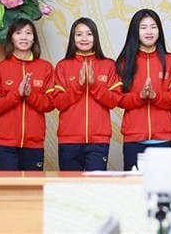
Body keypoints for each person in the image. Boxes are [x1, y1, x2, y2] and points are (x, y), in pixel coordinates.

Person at [52, 18, 122, 171]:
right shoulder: (63, 66)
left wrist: (94, 84)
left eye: (89, 34)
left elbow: (114, 101)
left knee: (95, 189)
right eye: (79, 34)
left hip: (99, 139)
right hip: (69, 139)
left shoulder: (108, 65)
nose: (84, 38)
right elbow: (58, 103)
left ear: (95, 37)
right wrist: (79, 85)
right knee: (69, 189)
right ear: (73, 38)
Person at [116, 9, 171, 171]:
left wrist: (155, 96)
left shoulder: (170, 61)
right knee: (134, 192)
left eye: (153, 27)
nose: (149, 31)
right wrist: (140, 96)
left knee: (163, 191)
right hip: (133, 140)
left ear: (159, 30)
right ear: (135, 31)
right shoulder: (124, 62)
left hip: (163, 140)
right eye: (143, 27)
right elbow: (118, 100)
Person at [0, 18, 54, 170]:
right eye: (18, 33)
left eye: (28, 33)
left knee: (32, 191)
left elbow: (50, 104)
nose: (24, 37)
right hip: (3, 144)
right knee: (5, 192)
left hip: (34, 144)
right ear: (11, 38)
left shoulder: (45, 68)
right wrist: (17, 94)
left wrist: (30, 94)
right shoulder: (0, 69)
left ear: (34, 39)